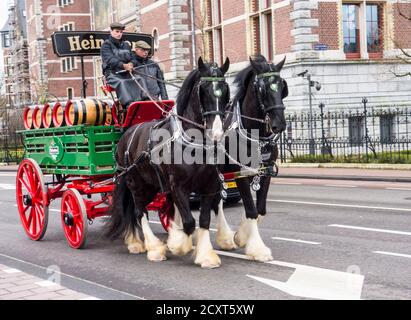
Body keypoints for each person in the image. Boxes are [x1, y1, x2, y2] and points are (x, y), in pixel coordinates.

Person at [100, 22, 147, 107]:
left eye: (121, 32)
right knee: (122, 82)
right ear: (111, 31)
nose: (119, 34)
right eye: (117, 31)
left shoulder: (126, 45)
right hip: (112, 74)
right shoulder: (105, 45)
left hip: (126, 73)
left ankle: (145, 100)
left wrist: (131, 64)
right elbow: (110, 60)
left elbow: (133, 58)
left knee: (140, 79)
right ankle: (128, 105)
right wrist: (124, 65)